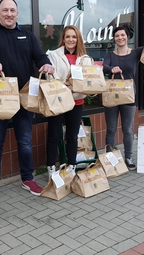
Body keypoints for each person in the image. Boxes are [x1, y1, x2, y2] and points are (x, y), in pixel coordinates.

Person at [0, 0, 55, 200]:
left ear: (17, 14)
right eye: (5, 10)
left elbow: (40, 57)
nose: (9, 14)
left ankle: (27, 178)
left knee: (25, 141)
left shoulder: (27, 36)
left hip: (23, 96)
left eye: (12, 10)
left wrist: (46, 64)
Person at [103, 24, 144, 170]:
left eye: (122, 35)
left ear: (128, 36)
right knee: (111, 129)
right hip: (112, 95)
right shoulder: (110, 55)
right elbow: (104, 67)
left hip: (129, 96)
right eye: (117, 36)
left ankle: (128, 158)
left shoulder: (136, 52)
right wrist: (112, 69)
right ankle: (109, 159)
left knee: (127, 129)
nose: (120, 38)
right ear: (114, 39)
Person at [45, 25, 94, 177]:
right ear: (63, 39)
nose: (71, 40)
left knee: (72, 136)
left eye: (74, 37)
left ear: (78, 39)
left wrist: (78, 85)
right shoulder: (54, 55)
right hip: (58, 100)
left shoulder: (85, 59)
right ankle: (51, 168)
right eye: (68, 37)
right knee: (54, 135)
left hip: (76, 101)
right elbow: (49, 77)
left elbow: (88, 81)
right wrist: (61, 84)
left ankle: (71, 167)